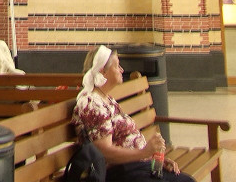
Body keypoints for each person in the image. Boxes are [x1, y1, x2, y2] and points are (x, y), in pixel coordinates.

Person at [71, 45, 194, 181]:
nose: (122, 70)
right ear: (102, 71)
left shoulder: (106, 99)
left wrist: (155, 159)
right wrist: (144, 153)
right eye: (117, 66)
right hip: (122, 173)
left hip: (138, 166)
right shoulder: (92, 103)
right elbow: (104, 152)